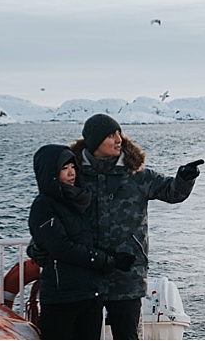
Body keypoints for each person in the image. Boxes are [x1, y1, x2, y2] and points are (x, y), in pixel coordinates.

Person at [70, 114, 203, 340]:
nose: (118, 138)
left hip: (127, 274)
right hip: (86, 272)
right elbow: (54, 209)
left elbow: (172, 192)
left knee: (128, 336)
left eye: (118, 133)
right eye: (110, 135)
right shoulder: (75, 175)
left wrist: (184, 178)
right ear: (94, 142)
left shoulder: (136, 175)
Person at [28, 144, 135, 340]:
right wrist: (105, 260)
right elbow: (60, 247)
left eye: (72, 166)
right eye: (63, 168)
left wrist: (114, 258)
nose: (71, 173)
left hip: (89, 295)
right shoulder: (44, 205)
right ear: (49, 172)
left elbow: (85, 239)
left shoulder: (79, 199)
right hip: (62, 299)